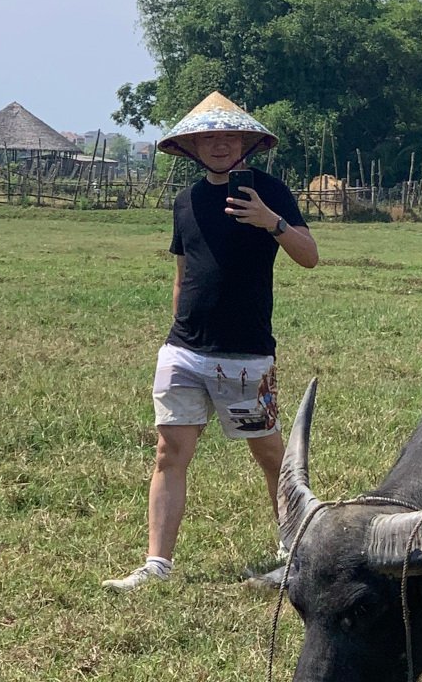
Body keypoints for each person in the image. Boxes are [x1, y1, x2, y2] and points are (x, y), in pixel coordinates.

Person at [104, 92, 318, 591]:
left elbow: (309, 256)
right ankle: (157, 564)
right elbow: (183, 271)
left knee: (269, 455)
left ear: (246, 142)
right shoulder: (187, 200)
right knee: (168, 452)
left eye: (229, 136)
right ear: (192, 146)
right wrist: (177, 326)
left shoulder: (271, 192)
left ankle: (294, 554)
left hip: (245, 356)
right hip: (183, 350)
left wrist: (274, 222)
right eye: (208, 137)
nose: (219, 144)